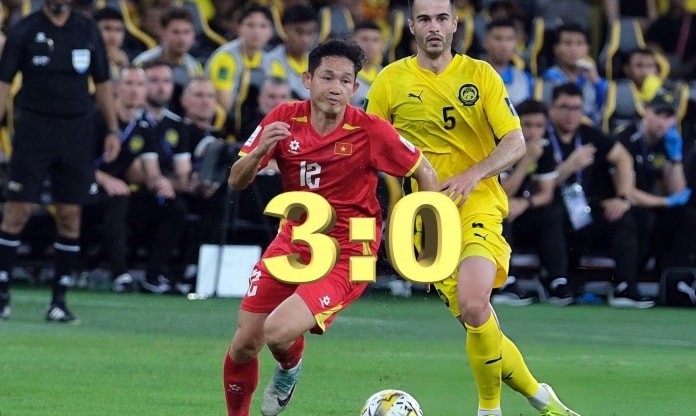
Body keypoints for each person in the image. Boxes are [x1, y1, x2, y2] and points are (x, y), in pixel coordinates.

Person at [365, 1, 580, 415]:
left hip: (478, 205)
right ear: (411, 26)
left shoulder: (481, 75)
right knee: (477, 321)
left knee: (475, 303)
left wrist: (471, 175)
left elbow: (515, 142)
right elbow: (370, 147)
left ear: (454, 24)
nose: (433, 27)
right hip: (428, 221)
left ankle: (488, 409)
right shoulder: (390, 81)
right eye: (424, 19)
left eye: (441, 18)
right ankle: (541, 398)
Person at [222, 38, 440, 416]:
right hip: (294, 241)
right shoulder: (283, 118)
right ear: (307, 79)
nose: (335, 87)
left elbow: (425, 171)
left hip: (349, 251)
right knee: (244, 344)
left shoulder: (370, 130)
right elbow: (236, 180)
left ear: (355, 88)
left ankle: (289, 367)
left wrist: (430, 243)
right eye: (327, 77)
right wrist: (258, 154)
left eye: (345, 80)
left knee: (278, 331)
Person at [0, 0, 120, 322]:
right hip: (33, 132)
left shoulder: (87, 29)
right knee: (16, 211)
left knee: (69, 215)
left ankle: (59, 301)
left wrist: (112, 129)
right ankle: (2, 295)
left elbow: (103, 83)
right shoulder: (24, 30)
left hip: (76, 134)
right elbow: (4, 83)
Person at [547, 83, 653, 309]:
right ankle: (558, 284)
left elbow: (624, 158)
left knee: (623, 217)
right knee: (552, 215)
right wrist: (570, 166)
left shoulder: (589, 134)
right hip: (551, 208)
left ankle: (625, 286)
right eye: (565, 107)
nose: (571, 114)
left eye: (576, 108)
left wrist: (623, 197)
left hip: (584, 209)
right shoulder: (543, 136)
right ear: (552, 109)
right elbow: (541, 187)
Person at [614, 90, 695, 276]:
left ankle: (672, 278)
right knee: (645, 219)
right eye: (658, 114)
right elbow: (627, 191)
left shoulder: (668, 140)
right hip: (622, 202)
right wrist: (664, 202)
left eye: (668, 116)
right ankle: (630, 277)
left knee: (687, 218)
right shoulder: (626, 139)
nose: (662, 122)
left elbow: (678, 191)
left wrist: (675, 158)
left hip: (650, 202)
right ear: (645, 110)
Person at [495, 99, 566, 306]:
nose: (533, 132)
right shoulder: (502, 144)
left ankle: (556, 281)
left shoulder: (544, 147)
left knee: (552, 213)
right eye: (527, 125)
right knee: (501, 212)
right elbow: (503, 192)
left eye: (539, 126)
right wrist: (526, 161)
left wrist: (525, 203)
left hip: (523, 210)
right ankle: (504, 282)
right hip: (497, 208)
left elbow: (546, 193)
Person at [133, 7, 202, 116]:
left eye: (187, 32)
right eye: (176, 32)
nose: (182, 38)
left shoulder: (193, 66)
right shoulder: (143, 62)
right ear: (163, 33)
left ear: (193, 35)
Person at [542, 23, 608, 124]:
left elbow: (607, 109)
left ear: (587, 48)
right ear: (556, 49)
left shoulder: (596, 80)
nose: (574, 49)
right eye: (568, 43)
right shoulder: (549, 79)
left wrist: (596, 82)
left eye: (579, 43)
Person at [267, 5, 319, 101]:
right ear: (284, 29)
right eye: (299, 32)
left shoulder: (317, 62)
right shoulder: (270, 61)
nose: (305, 40)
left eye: (310, 33)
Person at [482, 18, 533, 105]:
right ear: (486, 42)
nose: (504, 45)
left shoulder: (525, 79)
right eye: (498, 38)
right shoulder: (474, 75)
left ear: (516, 43)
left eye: (509, 39)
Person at [93, 7, 129, 82]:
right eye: (107, 28)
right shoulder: (86, 60)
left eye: (118, 30)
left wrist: (126, 68)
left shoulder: (128, 60)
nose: (113, 36)